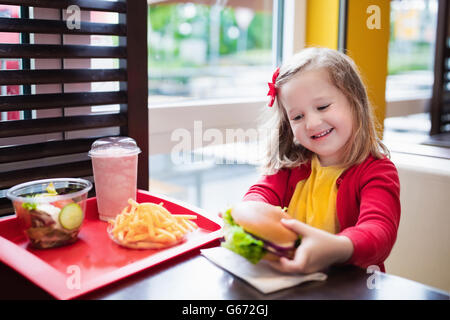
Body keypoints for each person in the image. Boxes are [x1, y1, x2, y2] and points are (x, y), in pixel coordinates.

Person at [242, 47, 401, 274]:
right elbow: (261, 192)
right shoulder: (291, 165)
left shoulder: (376, 171)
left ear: (354, 102)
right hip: (294, 281)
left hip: (351, 289)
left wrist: (337, 247)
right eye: (298, 116)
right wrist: (249, 212)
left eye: (323, 106)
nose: (312, 123)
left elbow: (379, 231)